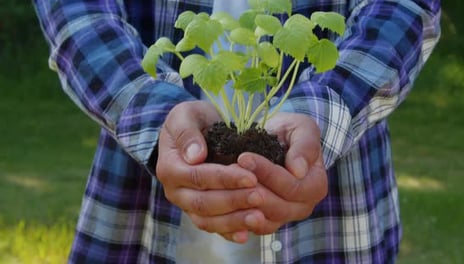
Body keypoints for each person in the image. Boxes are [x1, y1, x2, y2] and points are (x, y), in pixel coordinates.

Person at [33, 0, 441, 263]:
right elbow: (76, 11)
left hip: (332, 227)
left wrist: (324, 112)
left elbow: (401, 9)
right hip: (137, 210)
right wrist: (153, 112)